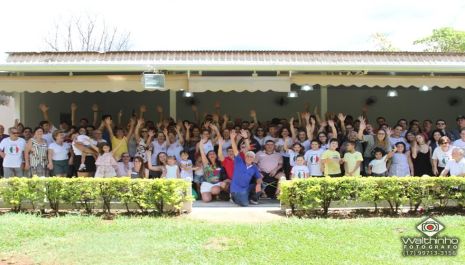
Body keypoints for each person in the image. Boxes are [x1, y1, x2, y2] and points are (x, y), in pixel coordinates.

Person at [229, 129, 262, 207]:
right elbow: (235, 149)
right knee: (245, 204)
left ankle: (252, 199)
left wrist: (259, 184)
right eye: (248, 156)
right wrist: (232, 139)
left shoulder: (254, 167)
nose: (249, 157)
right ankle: (234, 198)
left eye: (251, 157)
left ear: (254, 159)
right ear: (245, 156)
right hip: (236, 190)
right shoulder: (239, 161)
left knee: (261, 184)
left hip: (246, 189)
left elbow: (259, 177)